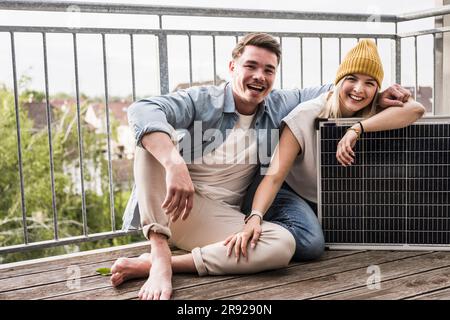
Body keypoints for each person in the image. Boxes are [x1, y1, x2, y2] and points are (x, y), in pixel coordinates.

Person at [111, 33, 413, 300]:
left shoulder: (280, 104)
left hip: (217, 216)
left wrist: (379, 96)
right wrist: (174, 162)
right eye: (250, 66)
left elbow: (338, 89)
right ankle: (160, 254)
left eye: (268, 70)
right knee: (150, 142)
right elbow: (142, 109)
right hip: (173, 206)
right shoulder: (202, 100)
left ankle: (162, 264)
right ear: (232, 68)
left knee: (282, 245)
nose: (259, 76)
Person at [224, 39, 425, 260]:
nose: (359, 89)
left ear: (377, 88)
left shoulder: (371, 110)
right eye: (352, 79)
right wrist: (255, 216)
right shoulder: (305, 115)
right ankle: (245, 235)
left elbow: (416, 109)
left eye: (370, 83)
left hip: (323, 196)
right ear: (339, 81)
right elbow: (274, 177)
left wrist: (356, 129)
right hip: (286, 191)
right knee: (311, 243)